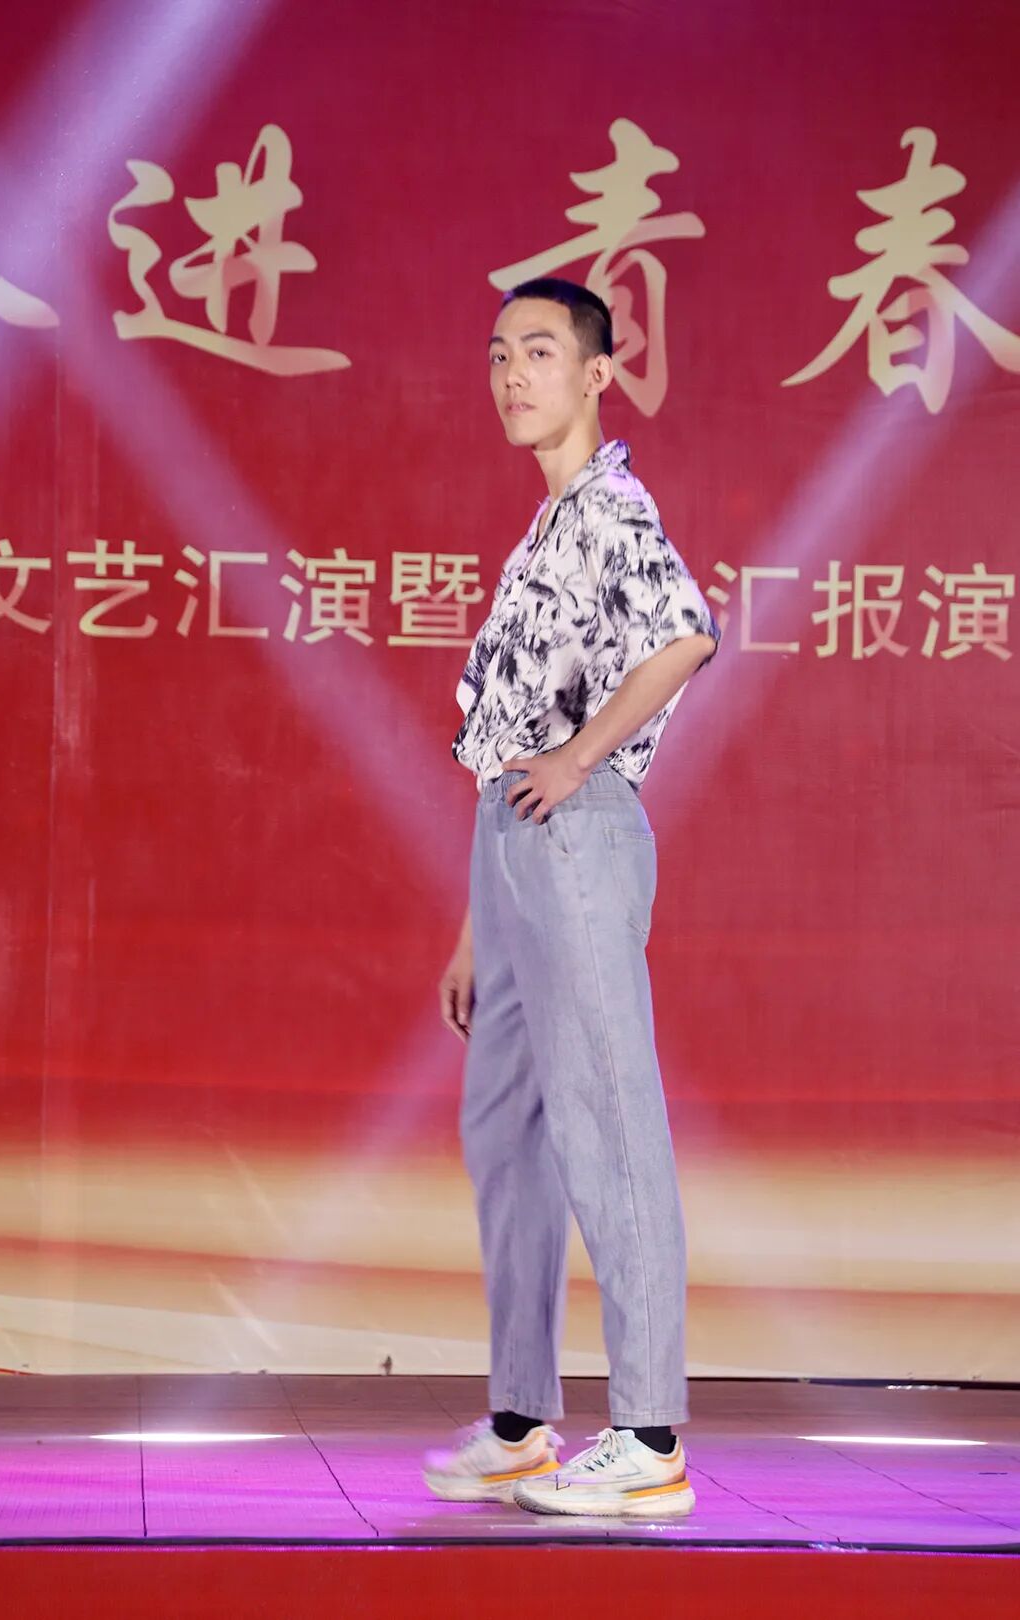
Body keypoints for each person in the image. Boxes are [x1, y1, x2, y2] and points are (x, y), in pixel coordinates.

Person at [422, 277, 719, 1519]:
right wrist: (474, 925)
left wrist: (581, 756)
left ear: (598, 373)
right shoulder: (545, 528)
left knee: (607, 1120)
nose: (513, 374)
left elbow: (686, 635)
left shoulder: (612, 507)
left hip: (575, 837)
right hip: (511, 852)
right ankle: (520, 1421)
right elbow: (498, 737)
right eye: (500, 353)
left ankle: (649, 1438)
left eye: (540, 352)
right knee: (507, 1132)